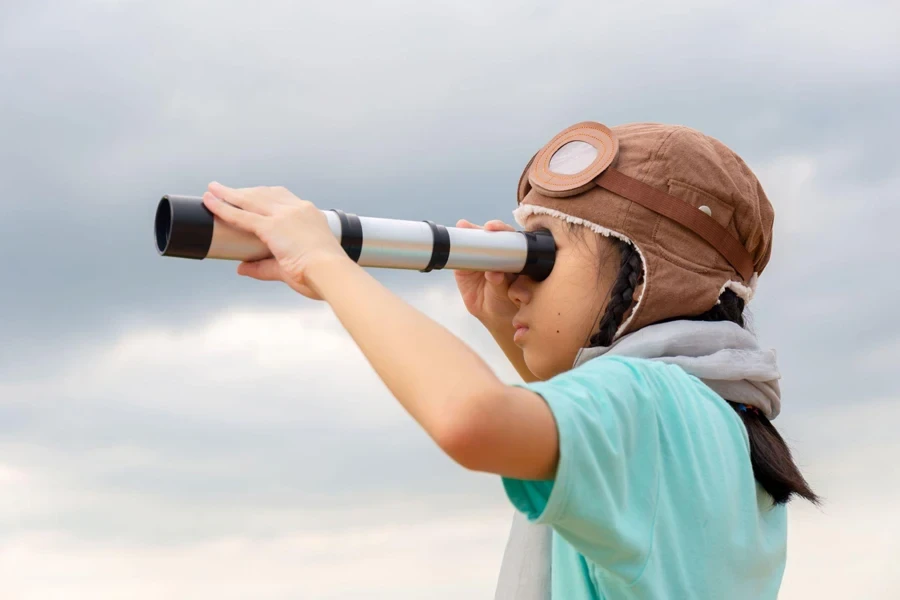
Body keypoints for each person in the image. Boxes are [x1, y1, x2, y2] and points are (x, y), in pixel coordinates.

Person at [199, 120, 818, 600]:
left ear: (644, 271)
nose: (519, 282)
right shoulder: (716, 419)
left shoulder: (652, 403)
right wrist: (503, 328)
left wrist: (326, 263)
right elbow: (561, 439)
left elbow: (473, 420)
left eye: (541, 256)